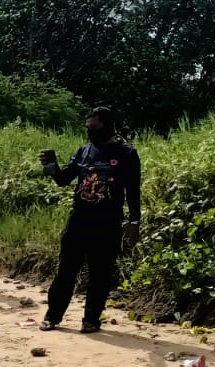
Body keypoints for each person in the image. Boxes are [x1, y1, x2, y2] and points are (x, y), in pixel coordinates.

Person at [39, 106, 141, 334]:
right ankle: (52, 316)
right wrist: (51, 166)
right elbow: (64, 180)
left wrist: (135, 222)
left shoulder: (126, 154)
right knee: (66, 271)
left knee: (100, 274)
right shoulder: (84, 151)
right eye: (88, 127)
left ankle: (91, 320)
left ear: (108, 126)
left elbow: (133, 190)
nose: (90, 131)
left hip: (107, 223)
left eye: (94, 127)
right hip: (79, 221)